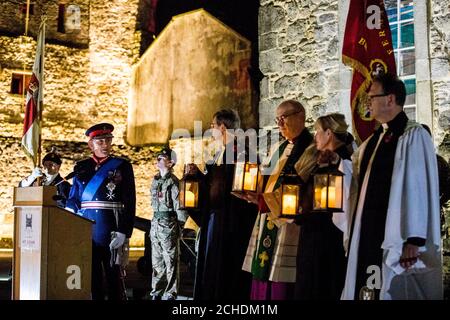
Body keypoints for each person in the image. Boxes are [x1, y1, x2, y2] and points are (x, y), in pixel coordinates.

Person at [341, 73, 442, 300]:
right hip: (368, 231)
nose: (368, 102)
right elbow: (358, 179)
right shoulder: (375, 140)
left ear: (390, 99)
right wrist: (335, 164)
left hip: (399, 237)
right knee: (367, 286)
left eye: (372, 97)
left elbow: (418, 188)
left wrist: (414, 239)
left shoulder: (413, 135)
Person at [240, 99, 315, 300]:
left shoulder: (311, 149)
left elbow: (301, 186)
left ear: (300, 116)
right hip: (266, 216)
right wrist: (249, 188)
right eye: (277, 119)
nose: (279, 124)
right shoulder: (278, 148)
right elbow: (265, 179)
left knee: (281, 280)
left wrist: (263, 200)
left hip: (288, 224)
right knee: (263, 271)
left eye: (283, 118)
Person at [186, 108, 258, 300]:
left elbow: (229, 188)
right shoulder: (222, 153)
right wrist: (198, 177)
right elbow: (215, 184)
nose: (211, 131)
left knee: (225, 272)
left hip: (231, 224)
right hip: (218, 220)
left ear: (223, 127)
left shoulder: (240, 153)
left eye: (212, 126)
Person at [66, 123, 136, 300]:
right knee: (92, 278)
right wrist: (67, 217)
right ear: (91, 145)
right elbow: (74, 199)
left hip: (112, 230)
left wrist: (124, 231)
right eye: (100, 141)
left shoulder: (122, 166)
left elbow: (129, 200)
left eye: (108, 141)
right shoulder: (81, 167)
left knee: (114, 279)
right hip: (87, 231)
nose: (105, 145)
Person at [294, 113, 354, 300]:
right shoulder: (322, 160)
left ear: (329, 133)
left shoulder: (344, 160)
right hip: (313, 234)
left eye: (318, 131)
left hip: (327, 238)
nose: (315, 136)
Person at [149, 147, 187, 300]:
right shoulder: (156, 180)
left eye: (162, 158)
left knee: (170, 261)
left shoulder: (173, 182)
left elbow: (180, 206)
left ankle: (170, 293)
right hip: (156, 223)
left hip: (168, 224)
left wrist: (180, 227)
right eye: (158, 157)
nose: (158, 160)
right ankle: (156, 291)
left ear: (171, 163)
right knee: (156, 262)